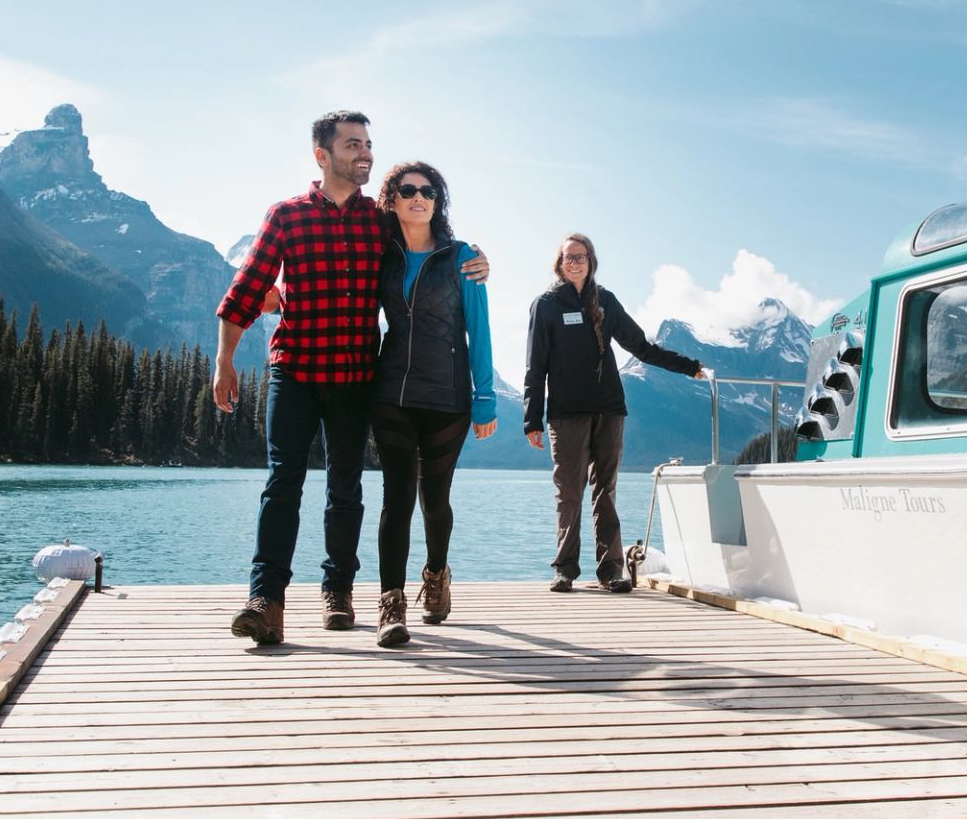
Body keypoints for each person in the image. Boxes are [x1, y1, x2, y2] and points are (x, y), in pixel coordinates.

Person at [213, 111, 487, 646]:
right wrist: (224, 361)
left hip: (356, 375)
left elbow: (426, 238)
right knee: (281, 483)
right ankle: (265, 601)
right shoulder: (286, 216)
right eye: (352, 144)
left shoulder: (378, 221)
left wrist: (475, 260)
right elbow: (246, 289)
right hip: (292, 369)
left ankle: (338, 591)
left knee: (345, 488)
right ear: (323, 155)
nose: (364, 153)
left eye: (368, 144)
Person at [523, 233, 708, 593]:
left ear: (591, 261)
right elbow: (535, 365)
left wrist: (689, 366)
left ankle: (611, 570)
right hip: (566, 413)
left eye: (581, 256)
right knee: (569, 492)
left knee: (605, 491)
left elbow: (641, 347)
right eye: (568, 257)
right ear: (559, 264)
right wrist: (532, 418)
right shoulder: (545, 305)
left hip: (609, 409)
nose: (574, 262)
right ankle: (565, 568)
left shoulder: (604, 301)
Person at [371, 161, 497, 647]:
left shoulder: (463, 257)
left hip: (447, 396)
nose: (418, 197)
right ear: (394, 200)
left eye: (428, 191)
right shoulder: (384, 255)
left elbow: (478, 330)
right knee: (396, 497)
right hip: (391, 393)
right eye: (408, 190)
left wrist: (484, 399)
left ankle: (437, 574)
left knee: (435, 499)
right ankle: (391, 603)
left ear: (437, 201)